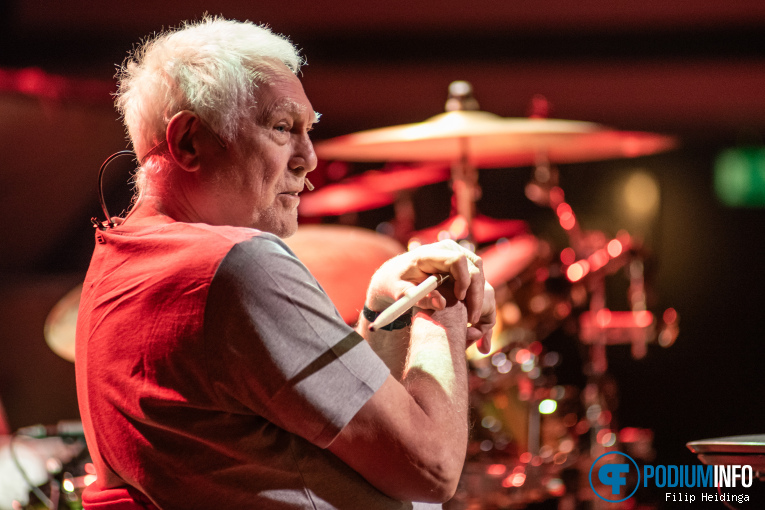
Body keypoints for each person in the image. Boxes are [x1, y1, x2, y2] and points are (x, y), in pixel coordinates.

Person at [75, 16, 495, 510]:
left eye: (308, 131)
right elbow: (431, 468)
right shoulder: (236, 266)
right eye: (282, 127)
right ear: (189, 141)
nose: (309, 158)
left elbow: (331, 434)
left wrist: (391, 311)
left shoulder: (115, 265)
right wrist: (439, 307)